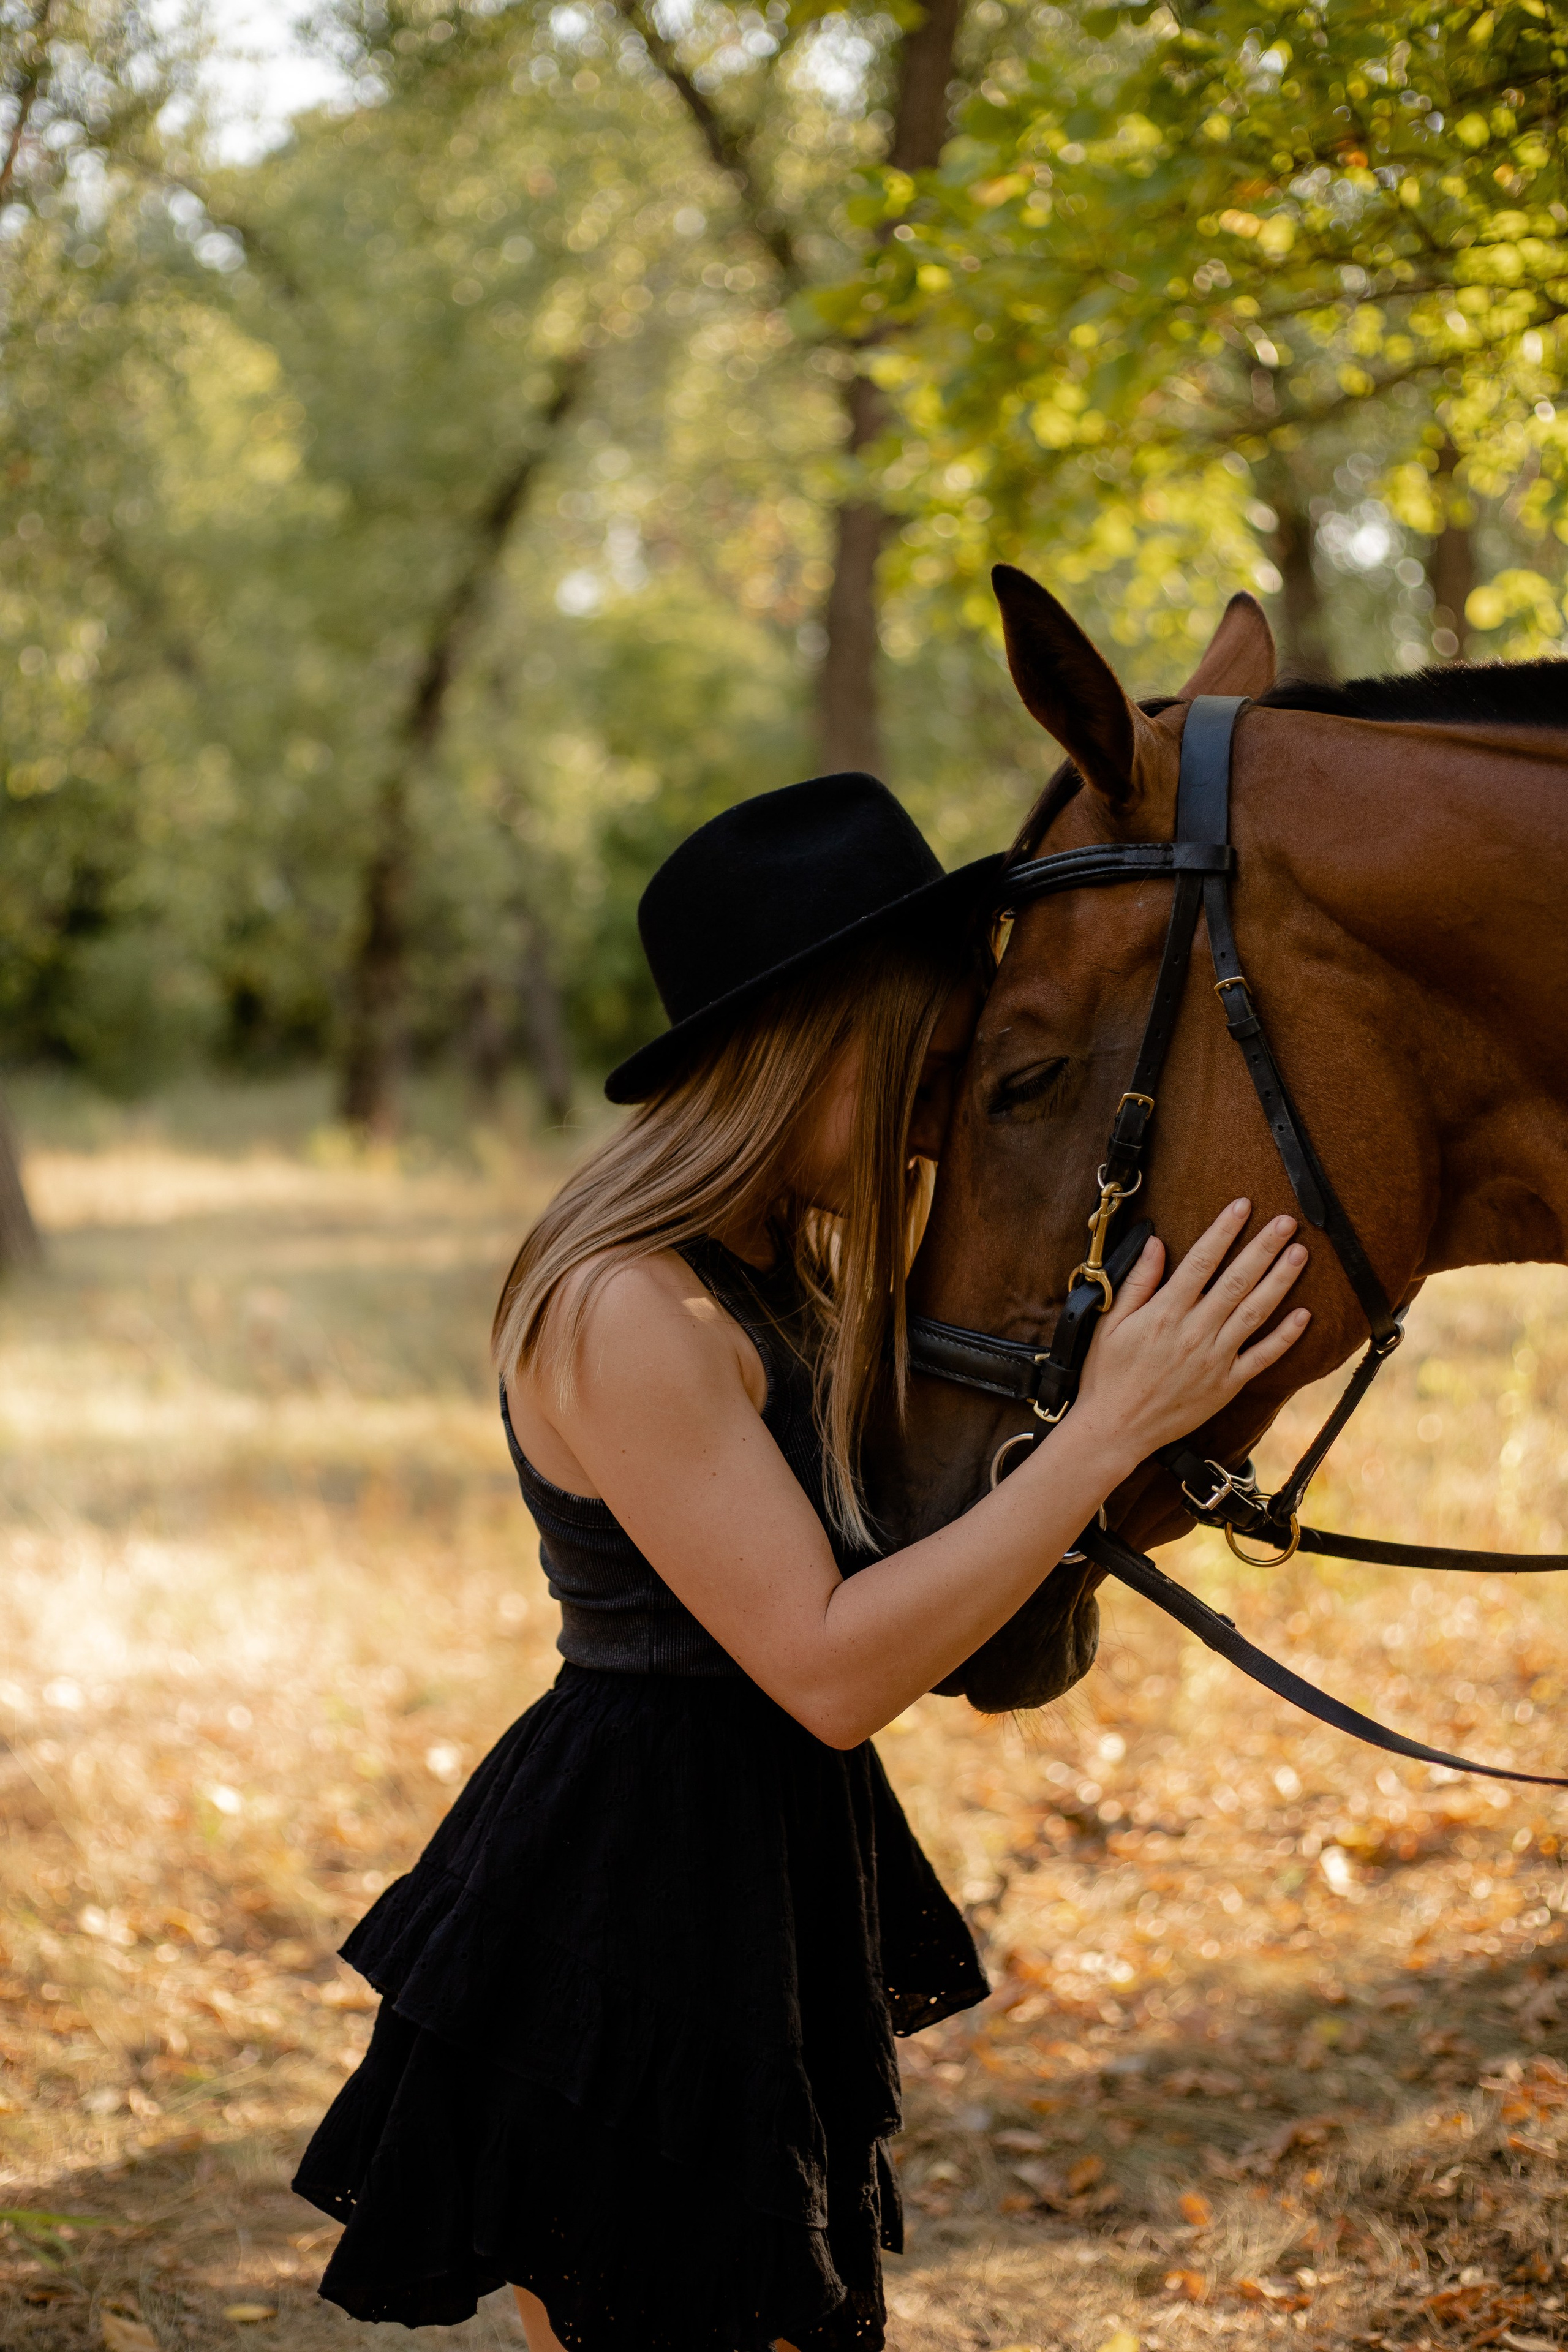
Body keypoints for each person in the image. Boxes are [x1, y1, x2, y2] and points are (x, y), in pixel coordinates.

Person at [292, 774, 1310, 2351]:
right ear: (823, 1043)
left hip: (757, 1856)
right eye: (930, 1075)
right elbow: (831, 1667)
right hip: (638, 1886)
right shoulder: (634, 1308)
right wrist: (1105, 1434)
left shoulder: (781, 1274)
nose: (936, 1129)